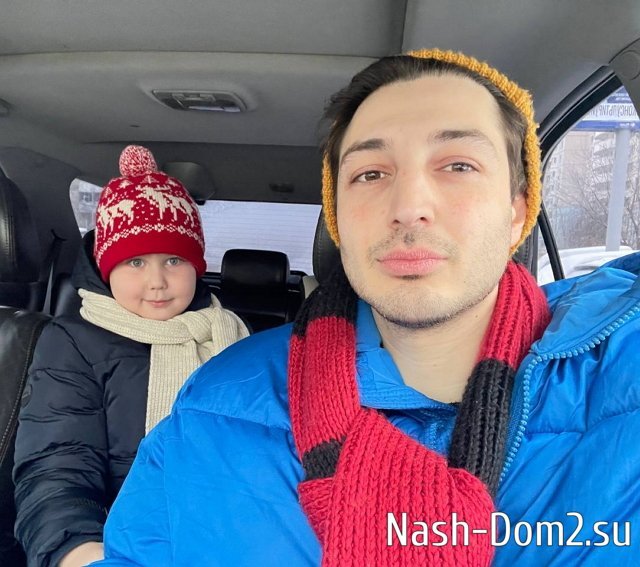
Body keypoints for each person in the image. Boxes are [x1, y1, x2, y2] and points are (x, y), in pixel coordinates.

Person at [92, 50, 640, 566]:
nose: (409, 206)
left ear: (518, 212)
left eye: (458, 165)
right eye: (370, 174)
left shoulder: (622, 367)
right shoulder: (211, 408)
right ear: (339, 221)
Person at [13, 145, 249, 567]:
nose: (157, 281)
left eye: (174, 259)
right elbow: (57, 471)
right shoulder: (71, 343)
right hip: (120, 545)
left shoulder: (233, 337)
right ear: (107, 268)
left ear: (197, 266)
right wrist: (80, 554)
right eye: (136, 261)